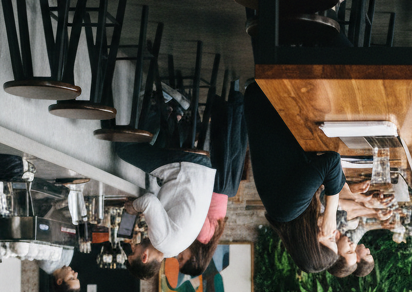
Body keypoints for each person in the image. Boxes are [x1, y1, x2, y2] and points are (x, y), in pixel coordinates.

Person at [245, 83, 383, 272]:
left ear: (310, 243)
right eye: (334, 239)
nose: (333, 232)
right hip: (284, 114)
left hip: (272, 102)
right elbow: (324, 173)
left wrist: (331, 212)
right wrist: (347, 189)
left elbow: (331, 161)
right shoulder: (293, 214)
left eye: (328, 238)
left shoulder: (288, 209)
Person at [115, 140, 217, 280]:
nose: (133, 246)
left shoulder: (171, 249)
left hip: (201, 170)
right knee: (124, 149)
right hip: (186, 167)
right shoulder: (161, 242)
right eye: (133, 253)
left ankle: (159, 121)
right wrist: (133, 208)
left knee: (156, 144)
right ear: (144, 257)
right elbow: (148, 201)